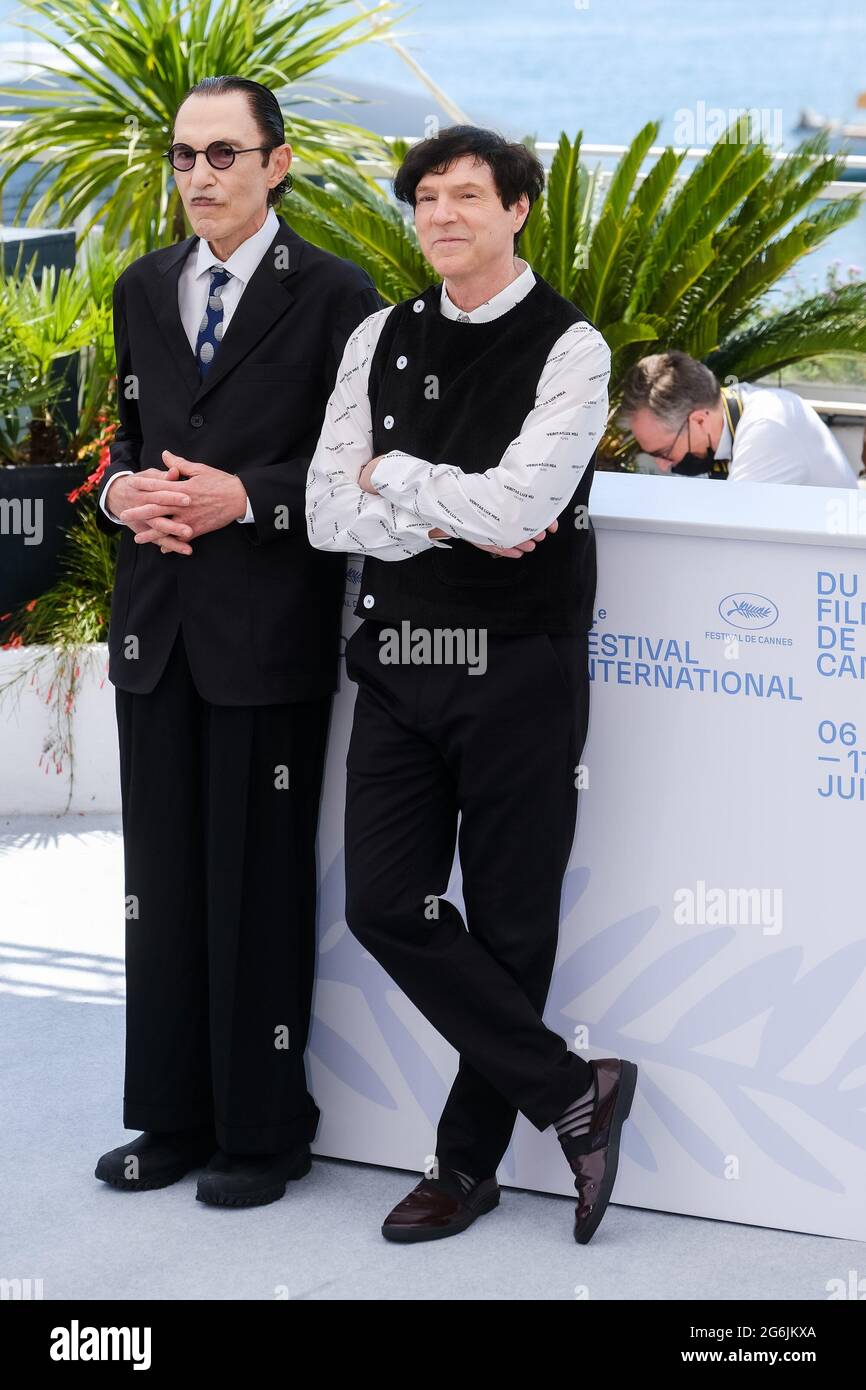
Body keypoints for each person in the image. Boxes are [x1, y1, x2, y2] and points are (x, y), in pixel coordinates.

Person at [306, 125, 638, 1245]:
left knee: (507, 923)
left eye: (465, 196)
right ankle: (571, 1090)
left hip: (519, 667)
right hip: (400, 658)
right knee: (381, 902)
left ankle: (463, 1164)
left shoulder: (571, 348)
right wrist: (458, 510)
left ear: (516, 211)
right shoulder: (378, 337)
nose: (440, 215)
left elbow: (519, 514)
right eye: (424, 199)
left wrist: (395, 476)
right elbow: (322, 513)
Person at [93, 75, 382, 1208]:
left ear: (278, 162)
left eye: (223, 154)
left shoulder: (338, 297)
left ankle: (262, 1132)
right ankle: (169, 1117)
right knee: (158, 887)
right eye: (184, 157)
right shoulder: (138, 286)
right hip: (156, 630)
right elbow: (120, 443)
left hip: (267, 635)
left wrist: (246, 501)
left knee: (256, 890)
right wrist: (123, 500)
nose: (201, 176)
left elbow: (351, 471)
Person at [622, 350, 859, 486]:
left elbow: (729, 542)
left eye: (663, 452)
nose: (662, 466)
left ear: (699, 421)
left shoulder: (767, 426)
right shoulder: (730, 416)